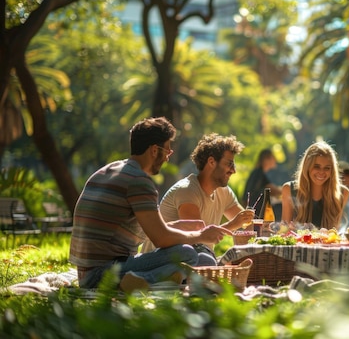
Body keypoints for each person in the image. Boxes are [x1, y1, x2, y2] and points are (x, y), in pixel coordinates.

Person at [69, 117, 232, 292]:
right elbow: (160, 238)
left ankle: (158, 279)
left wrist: (177, 226)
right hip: (104, 274)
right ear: (155, 150)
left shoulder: (108, 171)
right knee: (187, 254)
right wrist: (200, 235)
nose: (168, 158)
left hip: (86, 274)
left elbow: (144, 229)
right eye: (168, 151)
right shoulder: (138, 180)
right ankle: (142, 280)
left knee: (204, 261)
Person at [152, 133, 254, 263]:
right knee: (205, 260)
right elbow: (197, 238)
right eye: (229, 164)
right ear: (211, 162)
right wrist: (233, 224)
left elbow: (246, 223)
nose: (233, 170)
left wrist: (251, 226)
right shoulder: (187, 191)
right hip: (164, 261)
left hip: (195, 258)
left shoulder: (223, 192)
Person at [281, 141, 349, 229]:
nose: (321, 172)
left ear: (332, 171)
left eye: (327, 168)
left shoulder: (342, 193)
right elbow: (284, 231)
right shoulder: (289, 189)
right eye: (316, 166)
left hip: (327, 243)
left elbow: (334, 232)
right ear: (307, 166)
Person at [244, 148, 282, 218]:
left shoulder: (258, 172)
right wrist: (287, 190)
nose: (275, 160)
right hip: (256, 212)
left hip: (253, 210)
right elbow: (273, 189)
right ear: (266, 159)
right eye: (273, 157)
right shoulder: (259, 173)